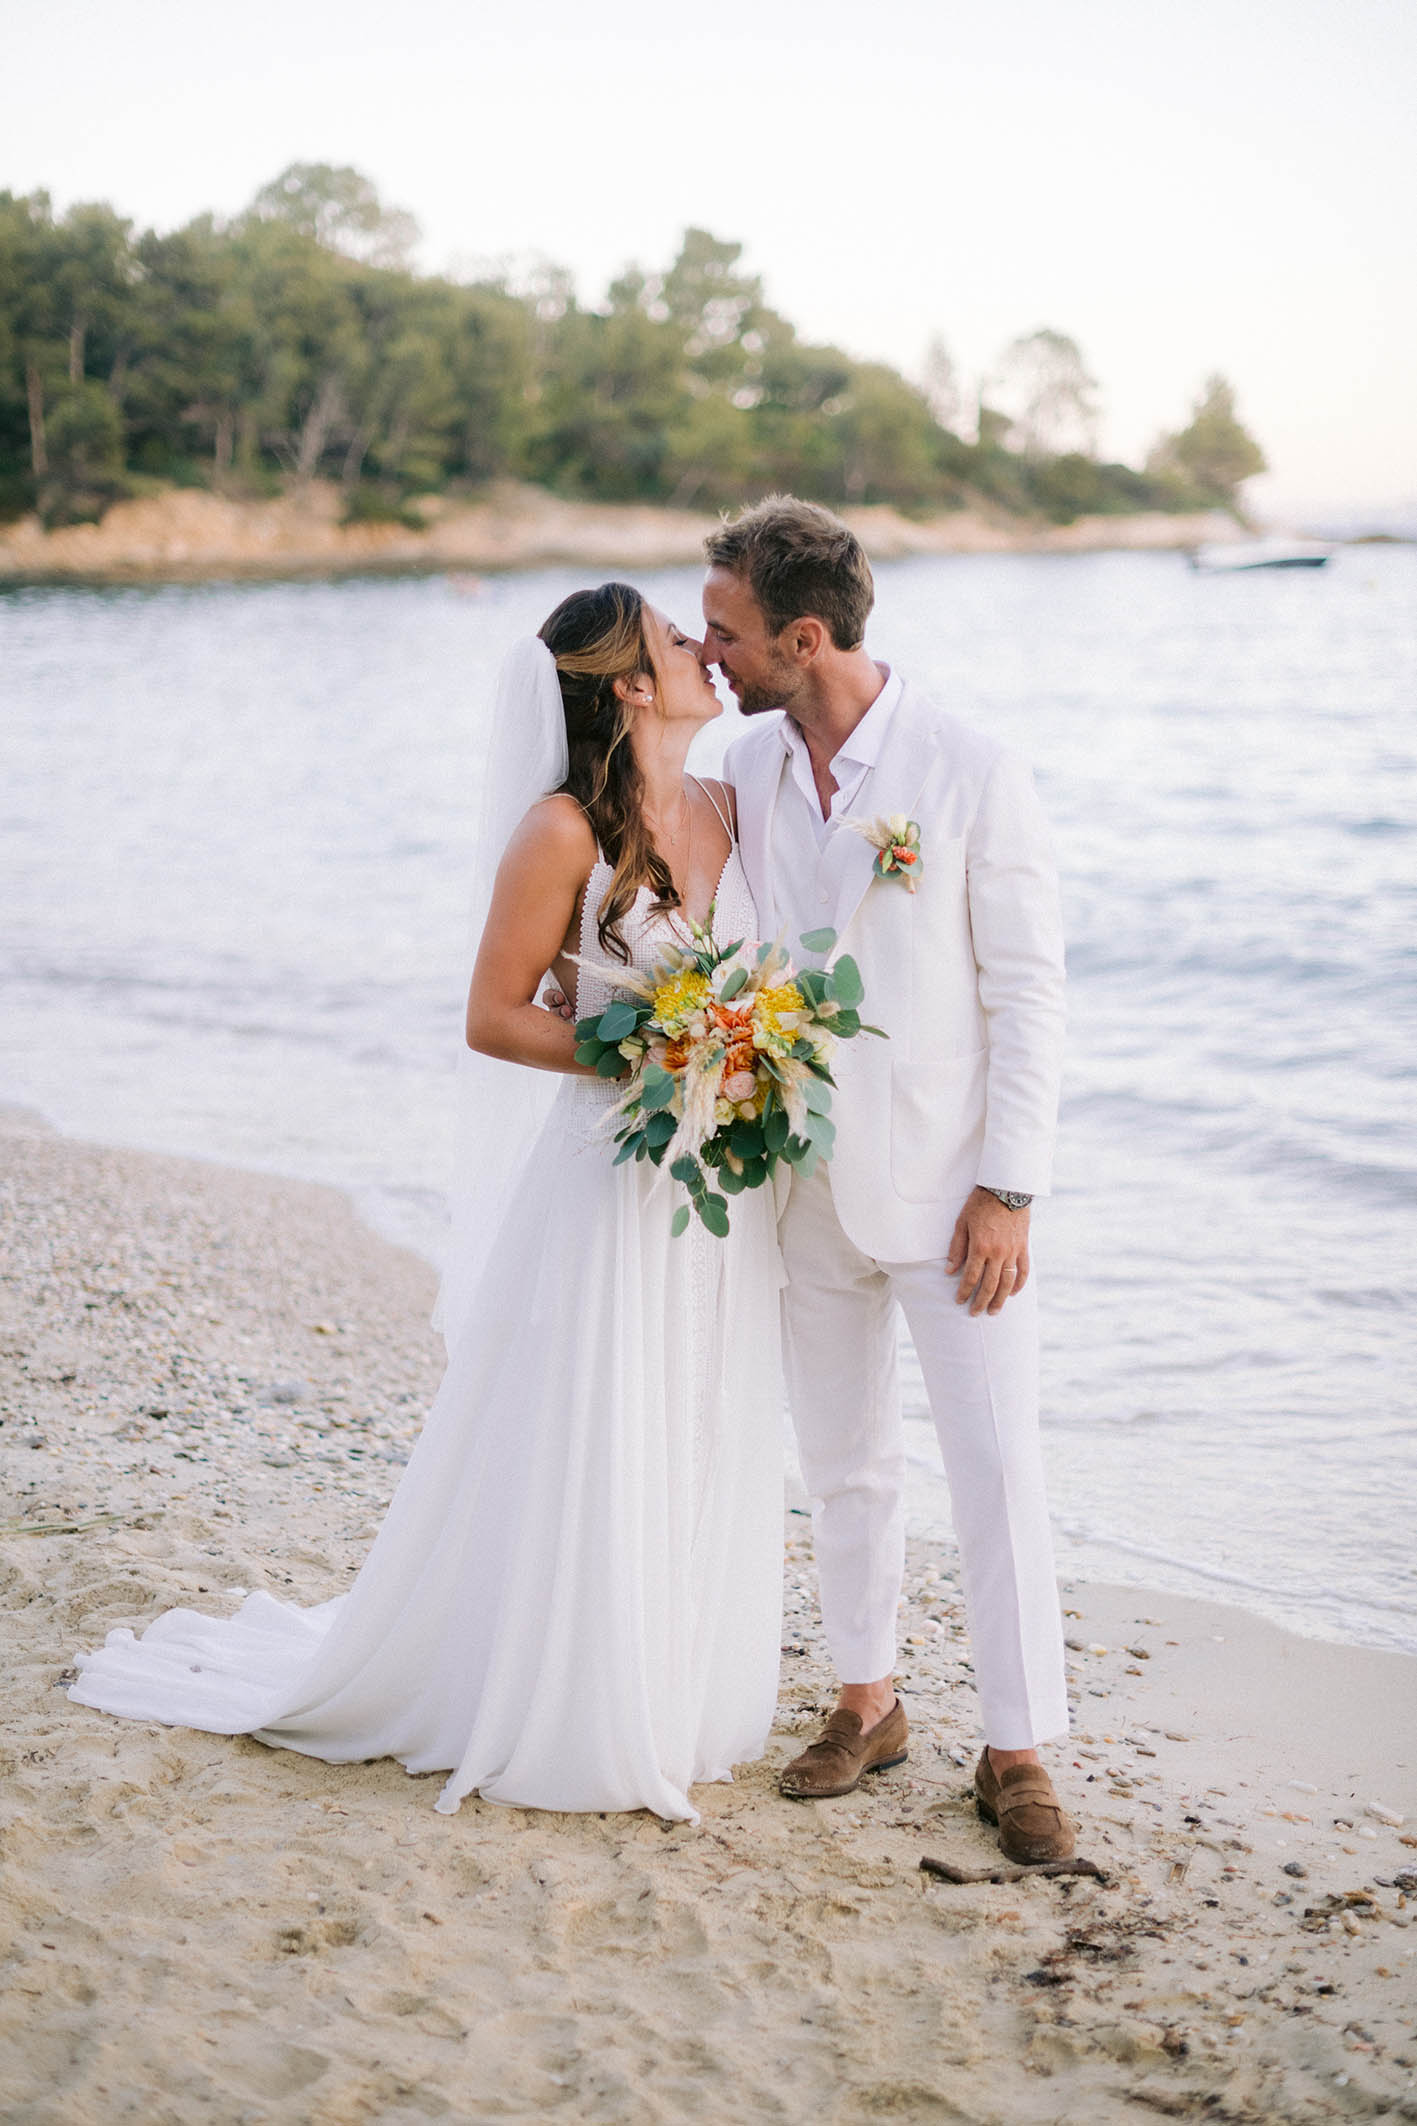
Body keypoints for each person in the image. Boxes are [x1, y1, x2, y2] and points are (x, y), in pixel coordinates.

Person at [68, 583, 786, 1824]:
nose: (703, 654)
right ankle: (572, 1695)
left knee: (697, 1408)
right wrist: (653, 1046)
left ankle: (674, 1686)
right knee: (604, 1413)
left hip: (716, 1178)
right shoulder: (560, 831)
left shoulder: (729, 805)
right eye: (678, 642)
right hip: (610, 1171)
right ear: (626, 684)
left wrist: (758, 1047)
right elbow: (495, 1014)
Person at [704, 496, 1076, 1864]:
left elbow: (1030, 994)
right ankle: (869, 1700)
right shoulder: (743, 764)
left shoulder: (971, 766)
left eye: (728, 631)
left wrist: (1011, 1187)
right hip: (797, 1178)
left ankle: (1020, 1744)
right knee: (843, 1461)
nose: (710, 652)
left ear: (804, 636)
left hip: (948, 1194)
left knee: (994, 1466)